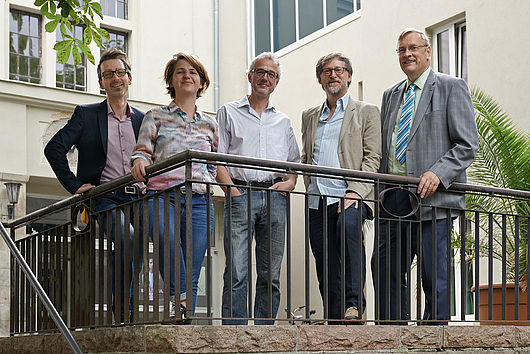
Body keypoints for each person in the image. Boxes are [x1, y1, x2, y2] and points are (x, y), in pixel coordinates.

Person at [371, 28, 478, 324]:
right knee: (385, 268)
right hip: (392, 197)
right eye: (402, 49)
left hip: (433, 197)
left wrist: (438, 173)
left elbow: (467, 145)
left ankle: (435, 334)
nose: (408, 54)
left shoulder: (451, 87)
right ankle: (393, 331)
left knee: (434, 275)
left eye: (414, 48)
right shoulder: (390, 95)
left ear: (428, 51)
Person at [45, 48, 145, 323]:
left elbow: (153, 157)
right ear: (101, 82)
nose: (115, 78)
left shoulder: (143, 119)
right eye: (108, 74)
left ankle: (159, 307)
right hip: (104, 197)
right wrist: (76, 186)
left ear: (130, 77)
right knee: (128, 239)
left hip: (139, 197)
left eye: (120, 72)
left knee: (139, 245)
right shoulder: (86, 115)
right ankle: (124, 315)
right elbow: (54, 149)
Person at [130, 52, 217, 320]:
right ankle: (180, 303)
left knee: (192, 266)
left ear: (201, 82)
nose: (187, 75)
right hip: (162, 195)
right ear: (171, 80)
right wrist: (138, 162)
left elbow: (213, 164)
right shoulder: (154, 116)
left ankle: (182, 323)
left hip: (200, 200)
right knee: (167, 243)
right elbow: (142, 152)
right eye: (180, 71)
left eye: (193, 72)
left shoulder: (210, 124)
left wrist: (209, 180)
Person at [217, 52, 300, 325]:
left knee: (270, 272)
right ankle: (235, 332)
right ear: (250, 76)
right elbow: (217, 160)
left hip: (274, 197)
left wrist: (287, 185)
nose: (266, 77)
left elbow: (293, 167)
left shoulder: (284, 121)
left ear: (276, 82)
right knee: (238, 270)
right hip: (240, 192)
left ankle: (264, 332)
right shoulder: (228, 112)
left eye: (272, 74)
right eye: (260, 71)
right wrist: (232, 191)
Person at [300, 53, 381, 323]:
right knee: (324, 261)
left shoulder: (366, 111)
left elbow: (373, 157)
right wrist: (310, 185)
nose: (333, 74)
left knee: (348, 232)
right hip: (317, 199)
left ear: (349, 75)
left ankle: (353, 305)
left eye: (339, 70)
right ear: (319, 78)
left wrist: (356, 191)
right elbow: (306, 157)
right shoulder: (310, 116)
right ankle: (334, 318)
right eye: (327, 71)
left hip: (349, 194)